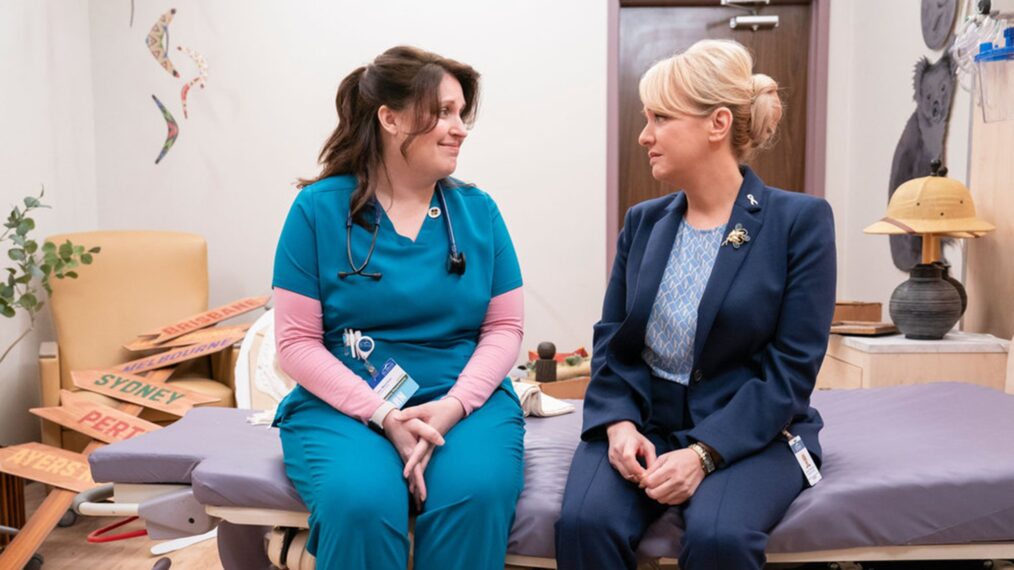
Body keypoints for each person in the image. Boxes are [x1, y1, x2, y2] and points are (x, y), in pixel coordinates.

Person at [555, 39, 836, 570]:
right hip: (642, 421)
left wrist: (704, 454)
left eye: (660, 117)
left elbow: (791, 374)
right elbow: (613, 343)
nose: (645, 135)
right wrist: (618, 426)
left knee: (719, 537)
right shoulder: (644, 222)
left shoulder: (798, 223)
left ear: (718, 124)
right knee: (584, 523)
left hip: (750, 430)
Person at [271, 45, 525, 570]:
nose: (459, 128)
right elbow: (295, 343)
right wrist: (384, 414)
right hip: (347, 402)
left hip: (462, 402)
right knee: (359, 502)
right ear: (389, 118)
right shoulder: (317, 211)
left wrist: (453, 406)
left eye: (462, 114)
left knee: (474, 494)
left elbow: (503, 328)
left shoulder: (478, 213)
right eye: (443, 113)